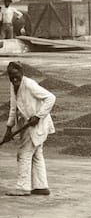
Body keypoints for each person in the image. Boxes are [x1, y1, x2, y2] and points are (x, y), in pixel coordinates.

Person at [3, 61, 55, 196]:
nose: (14, 78)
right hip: (27, 124)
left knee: (24, 153)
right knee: (37, 154)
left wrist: (38, 116)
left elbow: (51, 98)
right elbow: (13, 108)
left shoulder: (29, 84)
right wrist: (9, 128)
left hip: (37, 124)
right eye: (11, 76)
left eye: (16, 75)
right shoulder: (13, 85)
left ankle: (23, 187)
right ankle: (41, 186)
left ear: (22, 73)